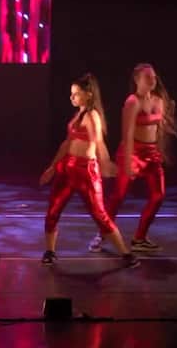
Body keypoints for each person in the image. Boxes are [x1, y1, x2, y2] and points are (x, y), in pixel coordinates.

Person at [39, 73, 139, 268]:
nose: (72, 97)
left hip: (85, 172)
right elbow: (67, 144)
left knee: (100, 214)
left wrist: (107, 164)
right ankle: (50, 251)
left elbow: (98, 143)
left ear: (88, 94)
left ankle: (126, 254)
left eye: (76, 93)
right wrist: (52, 167)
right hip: (67, 169)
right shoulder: (77, 115)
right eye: (71, 93)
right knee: (53, 210)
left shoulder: (92, 116)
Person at [88, 63, 177, 252]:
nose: (152, 80)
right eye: (148, 77)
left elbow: (159, 130)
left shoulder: (158, 101)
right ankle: (102, 233)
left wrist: (160, 150)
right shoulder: (132, 101)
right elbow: (127, 133)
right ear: (137, 80)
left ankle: (140, 238)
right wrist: (129, 161)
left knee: (158, 195)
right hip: (132, 152)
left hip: (151, 153)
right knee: (119, 196)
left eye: (154, 77)